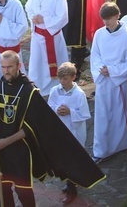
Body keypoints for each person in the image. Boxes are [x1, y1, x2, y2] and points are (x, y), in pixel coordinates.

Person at [0, 51, 105, 207]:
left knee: (23, 192)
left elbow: (33, 127)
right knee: (2, 191)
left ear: (19, 66)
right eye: (3, 67)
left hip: (20, 150)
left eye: (10, 67)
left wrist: (6, 142)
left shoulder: (29, 91)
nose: (6, 71)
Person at [90, 2, 127, 163]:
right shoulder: (99, 34)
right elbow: (95, 55)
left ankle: (122, 143)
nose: (105, 23)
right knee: (102, 116)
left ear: (117, 16)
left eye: (109, 19)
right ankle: (101, 149)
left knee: (118, 115)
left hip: (118, 83)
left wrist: (112, 70)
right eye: (103, 20)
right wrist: (100, 69)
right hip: (103, 81)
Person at [47, 62, 92, 204]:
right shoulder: (55, 90)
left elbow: (84, 114)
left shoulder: (79, 94)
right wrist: (57, 110)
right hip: (60, 131)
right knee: (64, 160)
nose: (62, 81)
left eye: (65, 78)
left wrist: (70, 112)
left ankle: (72, 189)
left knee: (73, 160)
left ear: (73, 77)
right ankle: (69, 184)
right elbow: (50, 106)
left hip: (74, 131)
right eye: (60, 78)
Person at [25, 0, 69, 96]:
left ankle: (57, 86)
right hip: (38, 36)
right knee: (37, 63)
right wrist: (33, 17)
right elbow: (28, 8)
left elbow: (62, 16)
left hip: (52, 36)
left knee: (56, 62)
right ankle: (38, 87)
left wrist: (44, 20)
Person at [58, 0, 89, 79]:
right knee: (66, 33)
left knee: (77, 34)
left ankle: (78, 60)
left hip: (80, 9)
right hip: (66, 8)